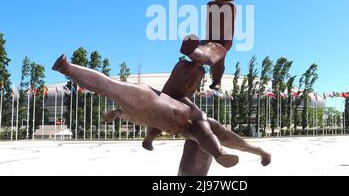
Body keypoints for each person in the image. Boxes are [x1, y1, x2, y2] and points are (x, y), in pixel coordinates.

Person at [52, 54, 271, 168]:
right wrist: (118, 115)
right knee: (213, 136)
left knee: (219, 136)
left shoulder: (152, 101)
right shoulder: (142, 101)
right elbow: (105, 86)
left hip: (184, 116)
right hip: (172, 115)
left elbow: (105, 86)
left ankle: (245, 153)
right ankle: (234, 153)